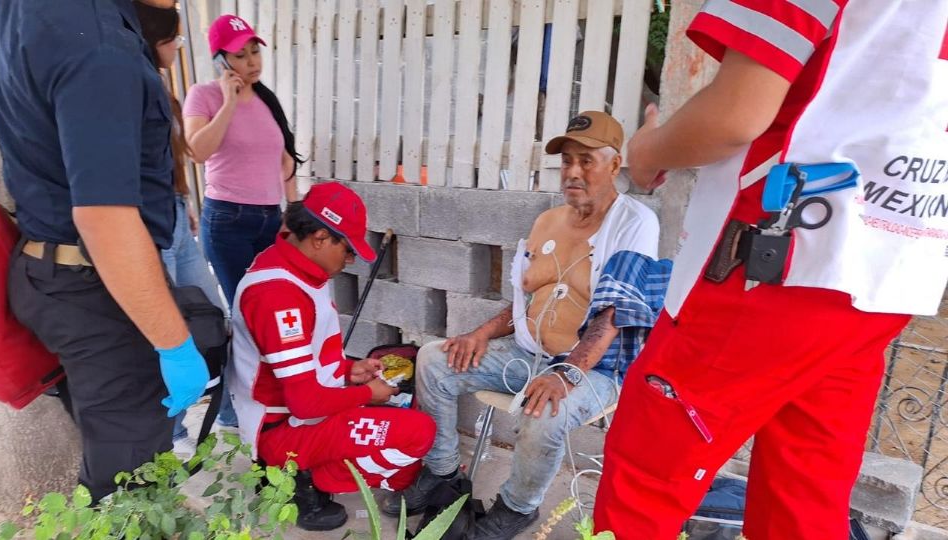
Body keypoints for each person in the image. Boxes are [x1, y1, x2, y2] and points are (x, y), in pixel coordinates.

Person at [593, 1, 948, 539]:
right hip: (889, 269)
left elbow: (736, 115)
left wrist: (647, 150)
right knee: (805, 492)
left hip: (775, 263)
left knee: (646, 478)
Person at [382, 112, 667, 540]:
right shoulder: (546, 222)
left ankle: (518, 507)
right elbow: (526, 299)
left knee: (544, 414)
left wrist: (566, 374)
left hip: (594, 368)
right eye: (566, 160)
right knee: (432, 361)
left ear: (614, 164)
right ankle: (443, 475)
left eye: (586, 160)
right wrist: (480, 333)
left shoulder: (634, 222)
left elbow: (614, 311)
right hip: (526, 354)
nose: (572, 171)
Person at [0, 0, 209, 502]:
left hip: (55, 273)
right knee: (125, 490)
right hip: (98, 287)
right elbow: (105, 218)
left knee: (116, 449)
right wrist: (173, 345)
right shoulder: (100, 46)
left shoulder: (18, 11)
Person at [229, 182, 436, 531]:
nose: (351, 259)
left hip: (295, 416)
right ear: (321, 238)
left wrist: (348, 370)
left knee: (407, 412)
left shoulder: (298, 269)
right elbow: (306, 403)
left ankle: (311, 470)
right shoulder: (278, 295)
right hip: (283, 431)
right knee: (419, 433)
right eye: (348, 248)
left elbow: (303, 361)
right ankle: (305, 480)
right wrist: (368, 394)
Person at [133, 0, 228, 456]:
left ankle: (227, 414)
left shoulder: (162, 88)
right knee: (165, 332)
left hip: (173, 213)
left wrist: (184, 201)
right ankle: (169, 438)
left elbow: (171, 156)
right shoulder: (128, 84)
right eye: (175, 39)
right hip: (145, 226)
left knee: (214, 315)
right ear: (157, 41)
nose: (178, 47)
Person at [183, 14, 301, 309]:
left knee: (273, 308)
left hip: (271, 219)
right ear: (220, 61)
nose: (252, 62)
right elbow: (197, 151)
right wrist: (229, 102)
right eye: (240, 55)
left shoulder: (267, 100)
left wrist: (292, 212)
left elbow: (285, 160)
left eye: (255, 51)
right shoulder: (203, 95)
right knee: (245, 311)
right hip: (227, 220)